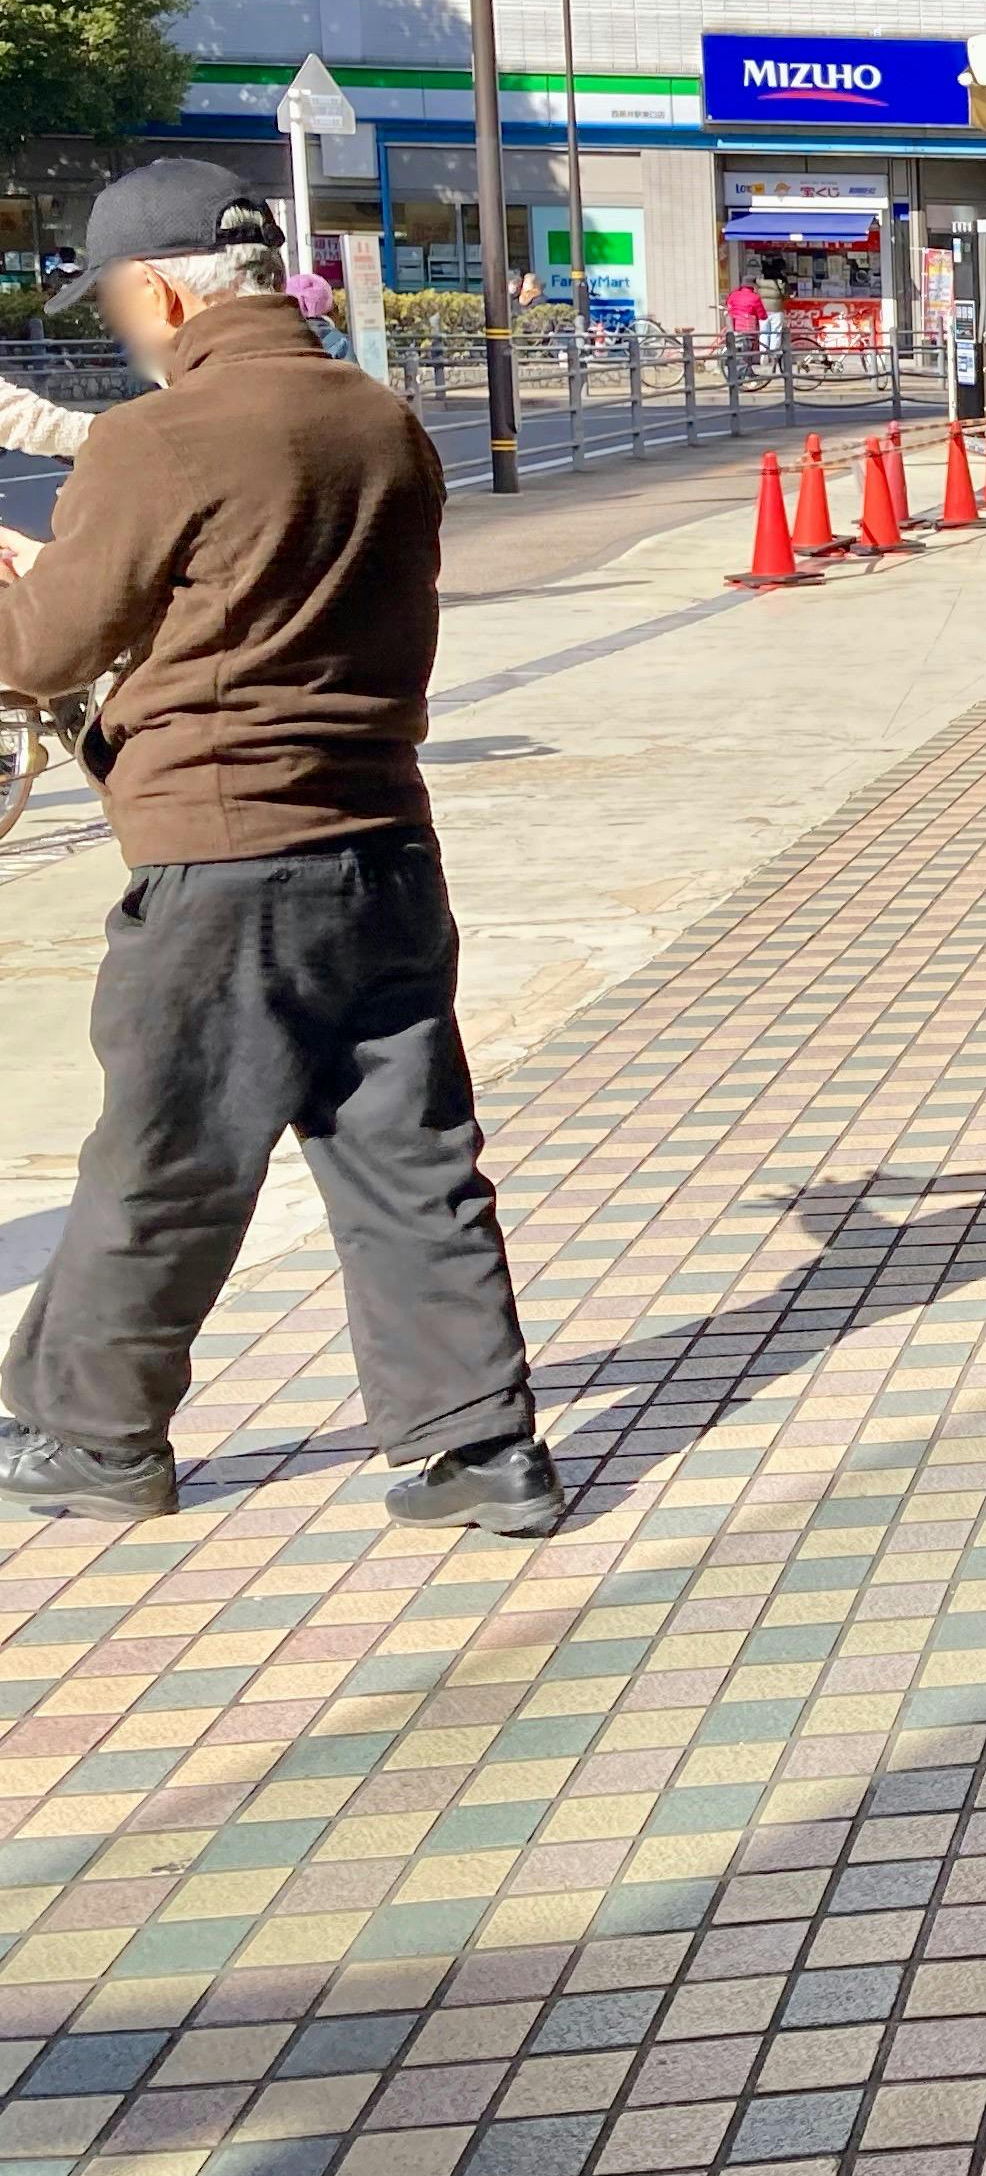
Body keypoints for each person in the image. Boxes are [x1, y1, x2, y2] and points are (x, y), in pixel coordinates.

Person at [0, 158, 553, 1532]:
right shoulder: (380, 419)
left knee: (167, 1155)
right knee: (409, 1153)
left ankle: (95, 1437)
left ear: (160, 290)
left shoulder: (158, 439)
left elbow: (41, 652)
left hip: (223, 862)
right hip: (383, 845)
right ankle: (478, 1448)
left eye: (115, 301)